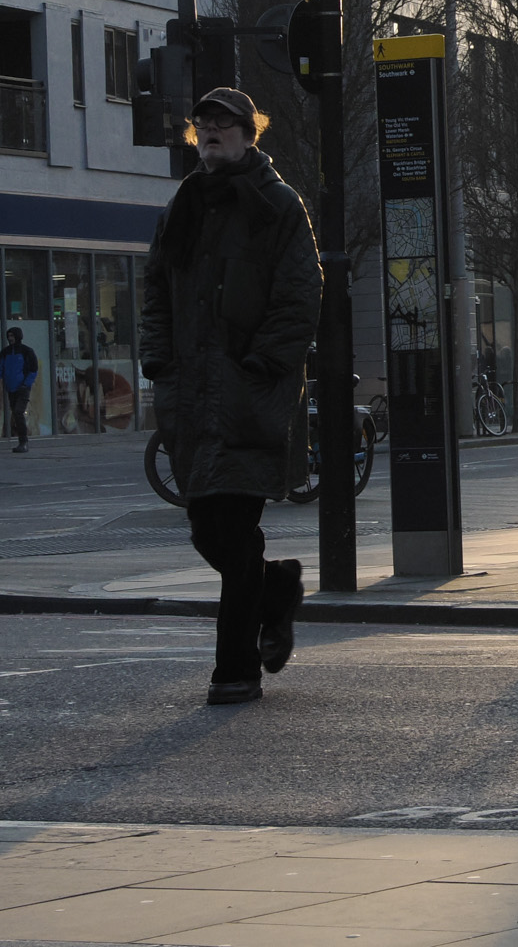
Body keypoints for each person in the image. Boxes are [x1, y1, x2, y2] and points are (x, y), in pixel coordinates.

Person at [139, 88, 321, 706]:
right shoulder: (182, 204)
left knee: (234, 530)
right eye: (204, 125)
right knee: (207, 532)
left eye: (225, 124)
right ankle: (278, 590)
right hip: (190, 396)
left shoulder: (277, 205)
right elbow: (155, 291)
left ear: (251, 135)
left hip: (249, 393)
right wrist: (158, 359)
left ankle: (234, 671)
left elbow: (301, 293)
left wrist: (265, 362)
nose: (212, 132)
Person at [2, 327, 37, 452]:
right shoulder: (5, 352)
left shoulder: (26, 351)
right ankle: (22, 442)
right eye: (9, 336)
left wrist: (25, 384)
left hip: (22, 388)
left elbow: (33, 369)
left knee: (18, 412)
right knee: (16, 415)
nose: (10, 338)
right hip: (11, 388)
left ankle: (24, 442)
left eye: (12, 335)